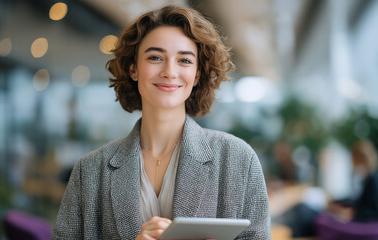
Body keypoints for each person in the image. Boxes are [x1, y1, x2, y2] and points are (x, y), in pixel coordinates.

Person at [52, 5, 270, 240]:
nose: (169, 71)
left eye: (184, 60)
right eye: (155, 57)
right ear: (134, 69)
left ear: (197, 74)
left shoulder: (238, 159)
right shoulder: (90, 171)